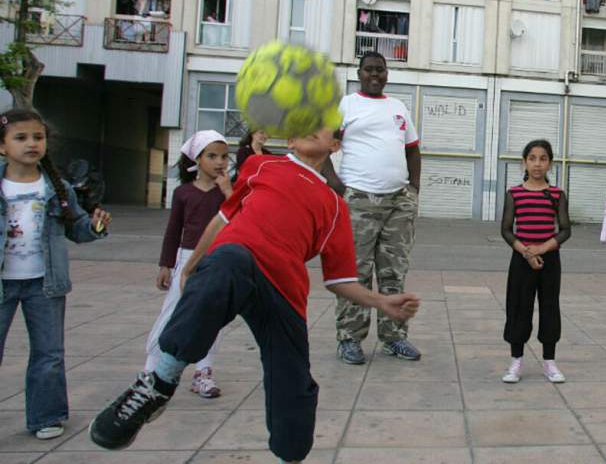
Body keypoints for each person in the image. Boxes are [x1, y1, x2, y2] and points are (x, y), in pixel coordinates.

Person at [89, 127, 420, 463]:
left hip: (283, 291)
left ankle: (288, 456)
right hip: (238, 261)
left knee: (295, 384)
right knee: (225, 263)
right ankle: (159, 382)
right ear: (290, 140)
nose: (307, 125)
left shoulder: (335, 205)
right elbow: (223, 219)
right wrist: (190, 266)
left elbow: (340, 279)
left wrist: (381, 302)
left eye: (317, 122)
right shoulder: (260, 167)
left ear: (335, 145)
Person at [0, 109, 110, 440]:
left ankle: (46, 416)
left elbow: (76, 227)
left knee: (49, 353)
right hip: (3, 283)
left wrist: (94, 226)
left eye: (38, 137)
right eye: (21, 138)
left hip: (45, 284)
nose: (31, 144)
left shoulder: (57, 188)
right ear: (3, 146)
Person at [322, 51, 423, 365]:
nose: (375, 74)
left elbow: (413, 150)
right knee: (356, 274)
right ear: (359, 73)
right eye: (369, 70)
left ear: (387, 73)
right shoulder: (346, 105)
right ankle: (349, 339)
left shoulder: (398, 108)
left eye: (380, 70)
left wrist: (413, 189)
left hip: (398, 203)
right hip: (359, 202)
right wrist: (337, 186)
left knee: (393, 274)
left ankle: (394, 338)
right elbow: (324, 146)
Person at [145, 130, 232, 399]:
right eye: (212, 156)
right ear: (197, 158)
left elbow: (239, 216)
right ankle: (151, 369)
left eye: (224, 156)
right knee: (172, 313)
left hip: (217, 259)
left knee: (212, 316)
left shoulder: (227, 192)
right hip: (187, 259)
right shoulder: (183, 192)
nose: (219, 162)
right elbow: (173, 231)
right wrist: (165, 265)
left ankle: (203, 372)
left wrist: (229, 191)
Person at [500, 139, 571, 383]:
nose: (537, 163)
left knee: (550, 307)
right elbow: (507, 230)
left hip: (549, 260)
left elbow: (564, 230)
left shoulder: (557, 194)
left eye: (543, 158)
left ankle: (549, 362)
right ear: (524, 162)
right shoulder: (514, 194)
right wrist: (526, 252)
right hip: (521, 261)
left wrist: (540, 249)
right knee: (519, 307)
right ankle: (516, 361)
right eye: (532, 158)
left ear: (550, 163)